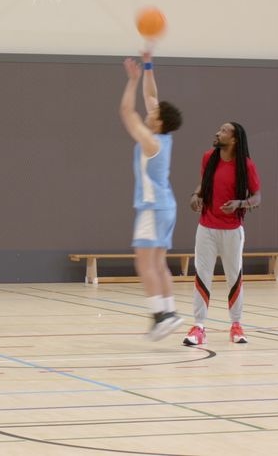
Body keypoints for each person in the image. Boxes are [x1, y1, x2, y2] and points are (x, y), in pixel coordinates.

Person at [119, 51, 184, 340]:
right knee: (158, 264)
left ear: (159, 122)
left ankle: (159, 316)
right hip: (167, 206)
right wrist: (148, 67)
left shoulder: (149, 141)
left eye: (155, 113)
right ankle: (169, 311)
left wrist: (131, 81)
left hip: (152, 207)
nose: (151, 110)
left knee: (143, 263)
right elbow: (152, 96)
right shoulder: (163, 136)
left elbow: (126, 113)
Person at [182, 122, 261, 346]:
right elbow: (203, 184)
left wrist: (240, 203)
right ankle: (199, 327)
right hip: (206, 227)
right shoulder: (209, 157)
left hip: (232, 231)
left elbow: (257, 197)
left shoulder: (246, 165)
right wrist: (195, 195)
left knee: (233, 277)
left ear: (235, 139)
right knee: (202, 275)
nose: (218, 132)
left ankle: (236, 325)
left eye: (224, 131)